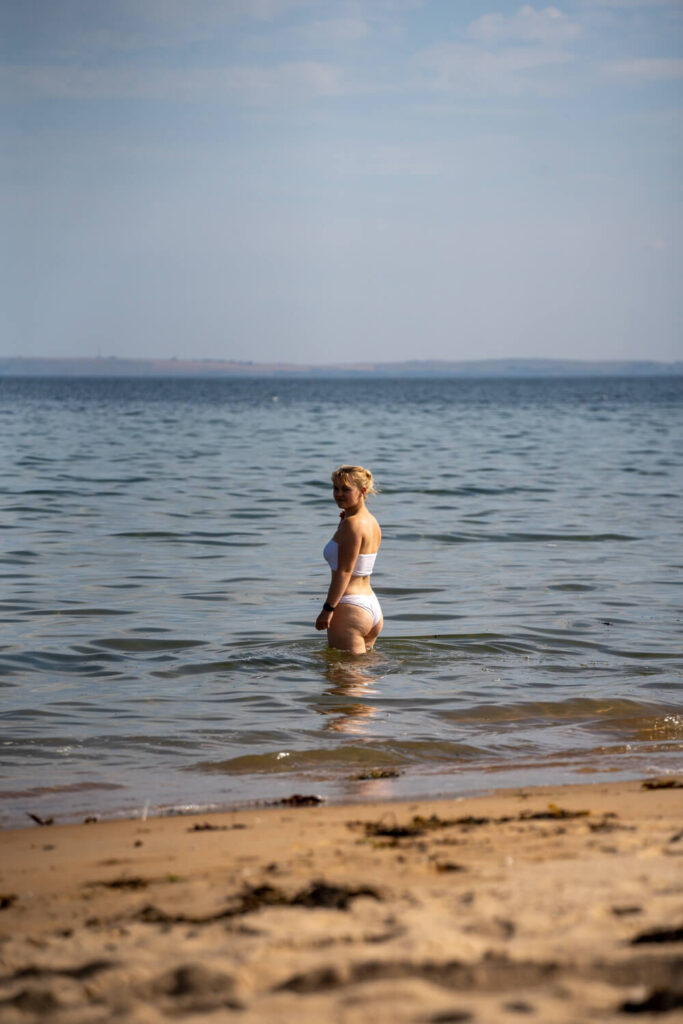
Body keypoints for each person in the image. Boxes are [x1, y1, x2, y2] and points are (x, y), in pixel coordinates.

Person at [315, 465, 383, 654]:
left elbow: (345, 571)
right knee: (362, 679)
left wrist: (328, 609)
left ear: (362, 491)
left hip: (350, 609)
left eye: (346, 489)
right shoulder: (371, 521)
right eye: (335, 488)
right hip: (371, 607)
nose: (338, 494)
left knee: (341, 680)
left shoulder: (352, 524)